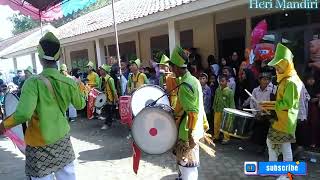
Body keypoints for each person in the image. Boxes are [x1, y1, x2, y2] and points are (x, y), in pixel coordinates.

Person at [0, 32, 86, 180]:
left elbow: (23, 114)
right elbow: (80, 105)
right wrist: (81, 89)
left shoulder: (32, 83)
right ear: (59, 57)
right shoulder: (69, 82)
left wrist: (4, 125)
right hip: (62, 139)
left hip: (38, 144)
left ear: (39, 58)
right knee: (67, 176)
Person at [260, 43, 303, 180]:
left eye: (278, 65)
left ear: (286, 64)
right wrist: (270, 105)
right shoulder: (285, 79)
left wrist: (269, 105)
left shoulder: (291, 81)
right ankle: (273, 169)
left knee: (285, 147)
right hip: (279, 119)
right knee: (270, 142)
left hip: (285, 121)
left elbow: (287, 104)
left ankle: (286, 174)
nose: (276, 68)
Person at [169, 46, 208, 180]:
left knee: (187, 168)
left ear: (177, 67)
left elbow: (193, 113)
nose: (171, 70)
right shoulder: (194, 80)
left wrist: (190, 136)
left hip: (187, 132)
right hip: (194, 130)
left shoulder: (186, 85)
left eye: (172, 67)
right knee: (187, 166)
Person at [250, 72, 275, 153]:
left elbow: (274, 102)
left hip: (267, 114)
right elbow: (252, 103)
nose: (266, 81)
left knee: (267, 131)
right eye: (264, 79)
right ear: (259, 80)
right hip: (257, 114)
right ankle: (260, 147)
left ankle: (267, 147)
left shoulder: (272, 90)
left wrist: (268, 112)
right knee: (259, 132)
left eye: (268, 79)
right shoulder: (255, 90)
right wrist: (255, 114)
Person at [213, 75, 235, 144]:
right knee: (216, 124)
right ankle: (216, 136)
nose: (221, 83)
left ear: (227, 82)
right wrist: (214, 107)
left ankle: (226, 138)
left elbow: (231, 103)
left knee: (226, 125)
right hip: (217, 110)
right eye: (220, 81)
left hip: (226, 112)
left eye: (223, 81)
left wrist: (232, 112)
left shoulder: (230, 92)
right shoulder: (217, 90)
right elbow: (215, 99)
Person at [98, 64, 118, 130]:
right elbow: (99, 88)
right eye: (100, 69)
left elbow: (113, 90)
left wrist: (116, 99)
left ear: (105, 71)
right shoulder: (101, 78)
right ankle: (110, 120)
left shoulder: (110, 79)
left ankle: (107, 124)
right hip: (103, 98)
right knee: (107, 111)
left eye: (101, 69)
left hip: (110, 99)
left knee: (109, 111)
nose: (100, 71)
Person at [304, 74, 320, 148]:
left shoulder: (317, 88)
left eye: (312, 79)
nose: (311, 81)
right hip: (305, 109)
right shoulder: (303, 88)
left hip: (315, 110)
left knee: (314, 125)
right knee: (306, 124)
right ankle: (306, 142)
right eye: (309, 79)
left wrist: (317, 99)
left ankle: (314, 142)